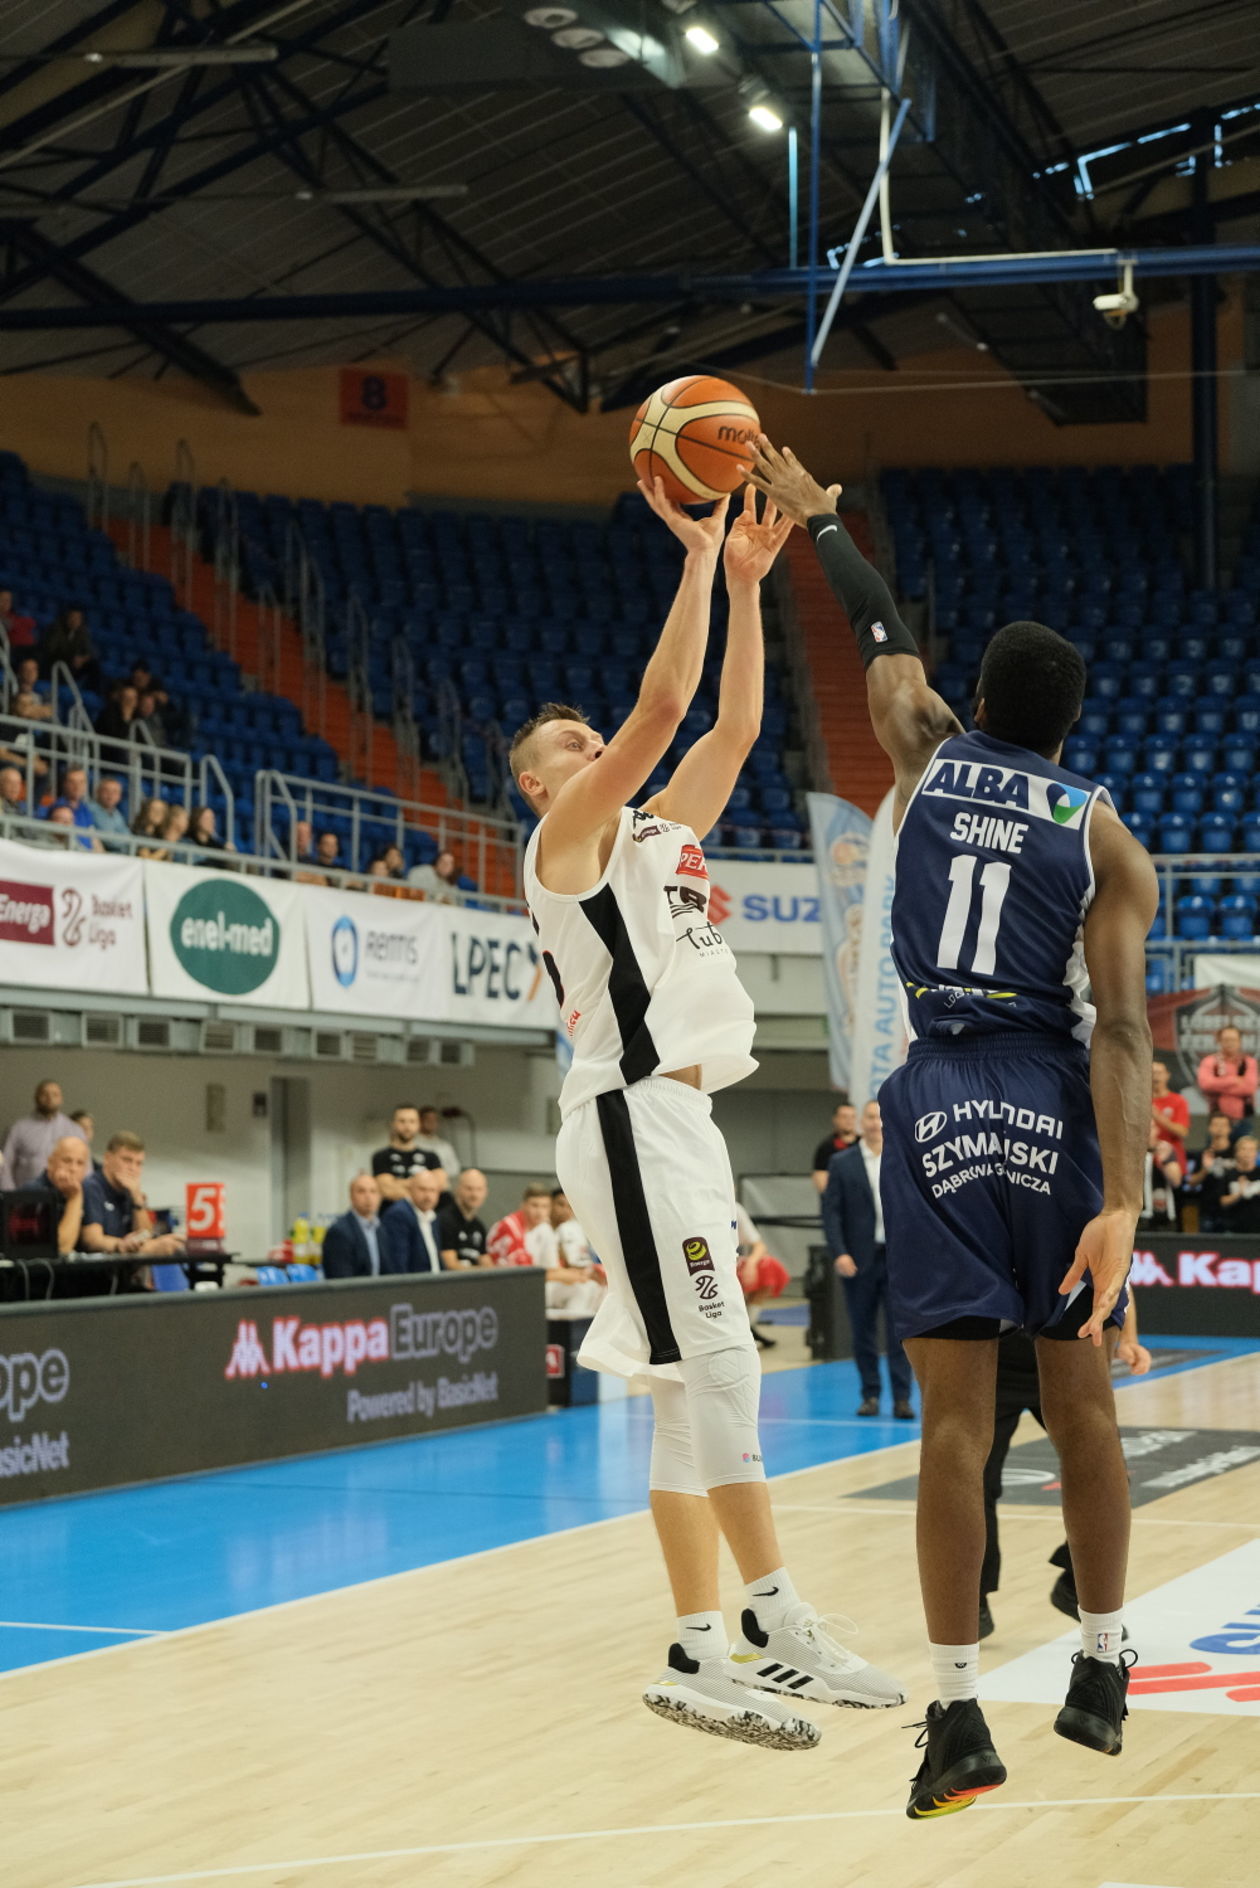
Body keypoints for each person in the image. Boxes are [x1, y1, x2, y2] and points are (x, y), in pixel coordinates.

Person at [745, 435, 1156, 1813]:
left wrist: (823, 519)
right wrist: (1124, 1203)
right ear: (1067, 731)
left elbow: (881, 636)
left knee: (954, 1429)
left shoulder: (923, 746)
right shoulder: (1105, 838)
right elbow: (1125, 1032)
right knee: (1085, 1406)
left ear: (975, 701)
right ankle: (1102, 1666)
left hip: (936, 1099)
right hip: (1053, 1096)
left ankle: (959, 1714)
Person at [514, 475, 903, 1749]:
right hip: (629, 1118)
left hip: (672, 1123)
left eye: (589, 742)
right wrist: (692, 557)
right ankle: (774, 1618)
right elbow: (668, 705)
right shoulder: (567, 844)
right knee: (724, 1364)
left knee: (690, 1387)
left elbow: (729, 726)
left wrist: (746, 583)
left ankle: (696, 1647)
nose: (592, 752)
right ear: (540, 786)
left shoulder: (656, 835)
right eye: (568, 748)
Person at [980, 1295, 1151, 1640]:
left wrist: (1129, 1339)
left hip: (1068, 1351)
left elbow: (1121, 1280)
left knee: (1107, 1474)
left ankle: (1074, 1583)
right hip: (995, 1357)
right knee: (976, 1482)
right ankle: (973, 1600)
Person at [821, 1099, 915, 1417]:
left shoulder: (903, 1159)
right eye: (870, 1117)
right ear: (862, 1122)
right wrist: (840, 1252)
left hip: (899, 1260)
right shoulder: (842, 1162)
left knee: (900, 1332)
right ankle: (870, 1395)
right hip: (859, 1259)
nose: (875, 1123)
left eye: (880, 1117)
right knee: (862, 1332)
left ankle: (902, 1398)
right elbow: (831, 1213)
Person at [80, 1131, 186, 1263]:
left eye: (139, 1163)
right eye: (127, 1160)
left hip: (123, 1272)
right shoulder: (92, 1186)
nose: (132, 1168)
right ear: (107, 1158)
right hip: (95, 1273)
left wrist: (137, 1198)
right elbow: (92, 1241)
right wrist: (124, 1245)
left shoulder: (131, 1190)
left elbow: (146, 1235)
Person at [2, 1080, 87, 1190]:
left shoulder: (74, 1130)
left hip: (66, 1195)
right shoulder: (18, 1129)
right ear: (36, 1097)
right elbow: (4, 1165)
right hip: (26, 1198)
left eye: (55, 1094)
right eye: (45, 1094)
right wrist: (11, 1197)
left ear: (61, 1099)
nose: (50, 1098)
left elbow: (86, 1167)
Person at [735, 1202, 791, 1350]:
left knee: (769, 1266)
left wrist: (751, 1264)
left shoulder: (735, 1208)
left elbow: (759, 1245)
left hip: (732, 1264)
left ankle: (746, 1328)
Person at [380, 1166, 454, 1274]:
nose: (428, 1196)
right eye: (422, 1189)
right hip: (413, 1286)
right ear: (410, 1189)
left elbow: (436, 1258)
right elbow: (398, 1264)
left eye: (432, 1190)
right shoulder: (399, 1214)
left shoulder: (432, 1216)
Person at [370, 1104, 440, 1203]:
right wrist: (422, 1186)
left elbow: (440, 1185)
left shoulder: (431, 1157)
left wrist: (397, 1183)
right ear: (393, 1124)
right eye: (402, 1121)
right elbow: (386, 1190)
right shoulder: (381, 1156)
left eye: (412, 1121)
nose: (407, 1126)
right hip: (391, 1212)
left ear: (418, 1125)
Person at [321, 1173, 387, 1279]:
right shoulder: (339, 1232)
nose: (368, 1197)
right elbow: (341, 1279)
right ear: (351, 1196)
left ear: (379, 1197)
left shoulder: (381, 1230)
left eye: (373, 1191)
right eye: (361, 1191)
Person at [34, 1135, 90, 1258]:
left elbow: (93, 1239)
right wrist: (75, 1198)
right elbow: (62, 1248)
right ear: (50, 1162)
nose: (73, 1168)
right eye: (67, 1160)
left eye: (80, 1163)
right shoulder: (33, 1192)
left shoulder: (88, 1190)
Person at [1183, 1111, 1237, 1234]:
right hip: (1207, 1210)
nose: (1219, 1129)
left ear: (1229, 1129)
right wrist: (1205, 1169)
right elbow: (1191, 1183)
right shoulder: (1203, 1154)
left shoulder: (1237, 1153)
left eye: (1223, 1125)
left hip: (1233, 1211)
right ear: (1209, 1128)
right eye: (1216, 1125)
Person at [1197, 1025, 1257, 1125]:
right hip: (1216, 1118)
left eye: (1233, 1039)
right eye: (1226, 1039)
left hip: (1244, 1118)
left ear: (1239, 1041)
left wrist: (1218, 1085)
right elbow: (1206, 1085)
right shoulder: (1209, 1061)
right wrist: (1233, 1080)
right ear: (1219, 1041)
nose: (1230, 1043)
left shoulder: (1249, 1062)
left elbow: (1249, 1088)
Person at [437, 1166, 490, 1268]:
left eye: (479, 1189)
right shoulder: (445, 1220)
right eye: (469, 1189)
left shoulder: (479, 1226)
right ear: (458, 1189)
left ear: (486, 1192)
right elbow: (451, 1266)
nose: (474, 1194)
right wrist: (482, 1272)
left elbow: (487, 1264)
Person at [1138, 1120, 1183, 1232]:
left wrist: (1163, 1162)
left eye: (1152, 1128)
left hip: (1163, 1217)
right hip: (1137, 1218)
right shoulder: (1131, 1151)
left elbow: (1176, 1181)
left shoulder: (1165, 1149)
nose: (1148, 1132)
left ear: (1157, 1130)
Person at [41, 605, 99, 689]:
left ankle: (94, 692)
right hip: (56, 662)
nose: (74, 621)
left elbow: (90, 651)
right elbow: (51, 650)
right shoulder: (56, 629)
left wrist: (83, 659)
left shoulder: (82, 632)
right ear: (66, 618)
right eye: (72, 617)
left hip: (74, 665)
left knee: (94, 665)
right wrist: (72, 657)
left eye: (78, 618)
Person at [812, 1101, 858, 1193]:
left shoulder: (863, 1144)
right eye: (844, 1117)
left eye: (852, 1117)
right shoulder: (826, 1147)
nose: (849, 1120)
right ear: (835, 1119)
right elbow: (821, 1180)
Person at [1221, 1137, 1260, 1232]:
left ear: (1256, 1153)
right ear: (1237, 1152)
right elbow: (1222, 1202)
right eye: (1244, 1149)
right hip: (1233, 1227)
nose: (1247, 1153)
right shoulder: (1228, 1175)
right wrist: (1239, 1194)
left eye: (1251, 1150)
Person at [1150, 1060, 1189, 1148]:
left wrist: (1158, 1117)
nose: (1155, 1076)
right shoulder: (1142, 1100)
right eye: (1152, 1072)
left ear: (1167, 1075)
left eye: (1159, 1072)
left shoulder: (1178, 1100)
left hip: (1171, 1153)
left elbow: (1183, 1132)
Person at [414, 1104, 460, 1177]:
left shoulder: (445, 1146)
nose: (432, 1123)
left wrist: (438, 1175)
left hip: (442, 1184)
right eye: (428, 1120)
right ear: (420, 1121)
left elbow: (455, 1169)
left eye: (434, 1120)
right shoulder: (412, 1144)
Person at [90, 776, 130, 850]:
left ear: (119, 796)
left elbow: (128, 835)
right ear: (98, 792)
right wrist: (123, 841)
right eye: (106, 791)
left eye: (115, 792)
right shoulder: (91, 809)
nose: (110, 795)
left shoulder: (117, 814)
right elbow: (109, 839)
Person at [69, 1109, 103, 1173]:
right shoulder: (61, 1162)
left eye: (90, 1127)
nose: (87, 1131)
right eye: (82, 1127)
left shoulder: (98, 1167)